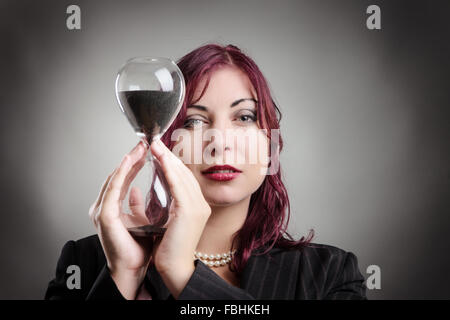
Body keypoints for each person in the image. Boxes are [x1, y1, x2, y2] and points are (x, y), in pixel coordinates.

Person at [45, 43, 367, 300]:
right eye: (194, 121)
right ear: (163, 142)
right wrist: (124, 276)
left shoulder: (330, 275)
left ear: (272, 144)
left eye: (244, 117)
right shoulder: (85, 264)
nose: (220, 143)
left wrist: (185, 276)